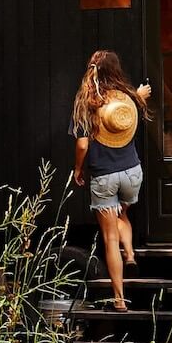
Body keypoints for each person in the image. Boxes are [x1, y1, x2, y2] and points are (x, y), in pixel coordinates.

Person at [70, 50, 151, 311]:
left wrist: (78, 169)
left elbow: (82, 145)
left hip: (104, 176)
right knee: (122, 214)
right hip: (132, 173)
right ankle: (131, 254)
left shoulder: (86, 103)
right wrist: (139, 95)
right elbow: (131, 107)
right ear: (116, 70)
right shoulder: (127, 99)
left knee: (109, 239)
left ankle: (119, 299)